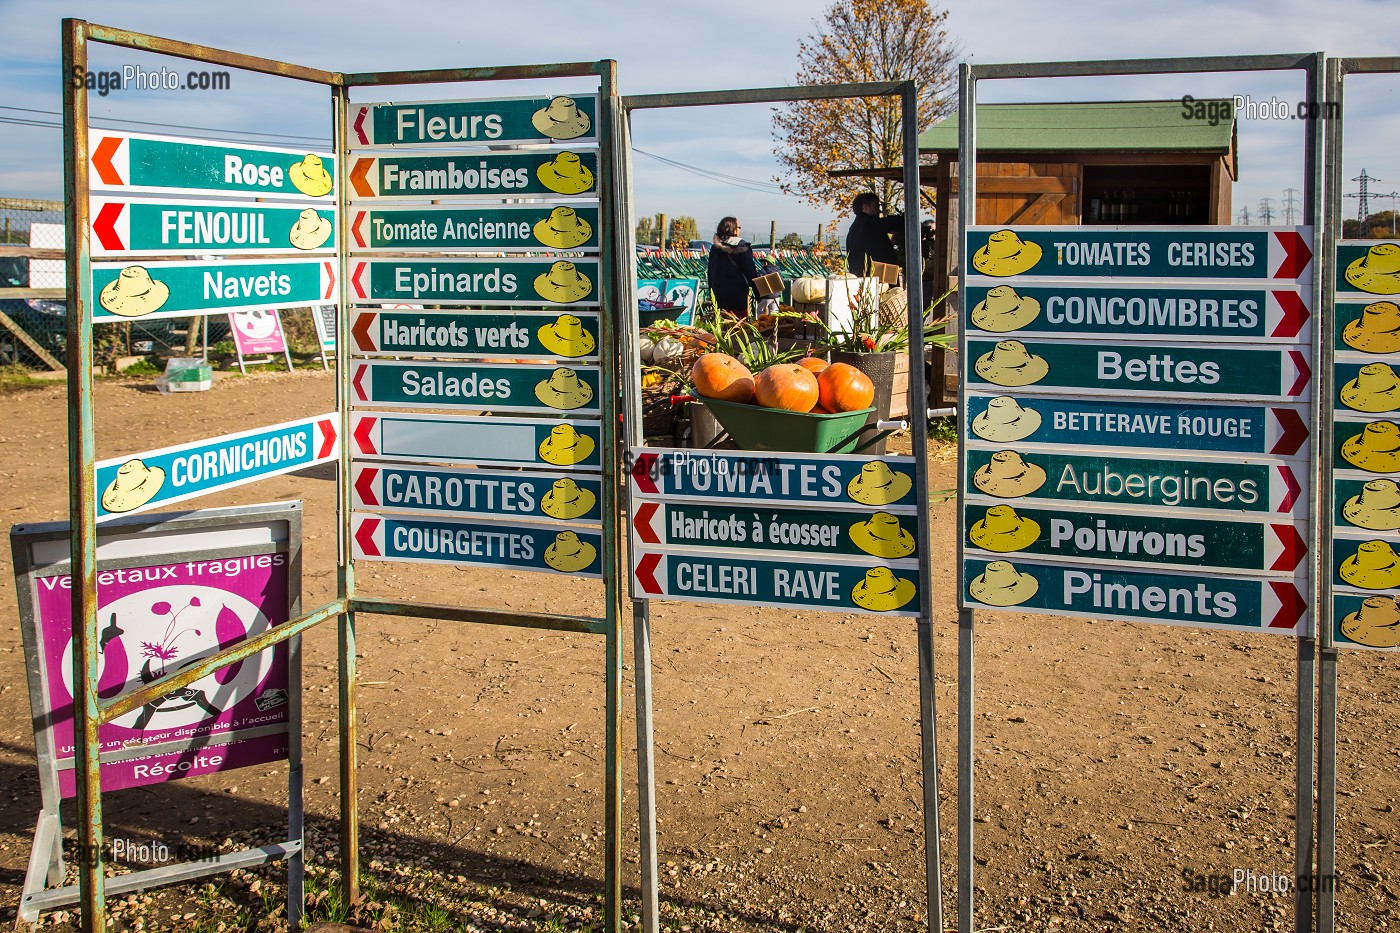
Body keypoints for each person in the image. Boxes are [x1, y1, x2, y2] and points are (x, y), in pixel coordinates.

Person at [707, 217, 762, 316]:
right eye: (739, 227)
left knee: (722, 326)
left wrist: (711, 294)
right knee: (739, 327)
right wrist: (758, 295)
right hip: (737, 297)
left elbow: (710, 272)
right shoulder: (742, 247)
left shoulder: (715, 247)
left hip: (718, 295)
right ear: (734, 229)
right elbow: (751, 273)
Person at [845, 192, 903, 278]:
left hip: (861, 276)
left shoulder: (854, 229)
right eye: (876, 207)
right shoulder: (869, 223)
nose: (879, 211)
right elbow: (895, 222)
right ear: (865, 207)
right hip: (879, 277)